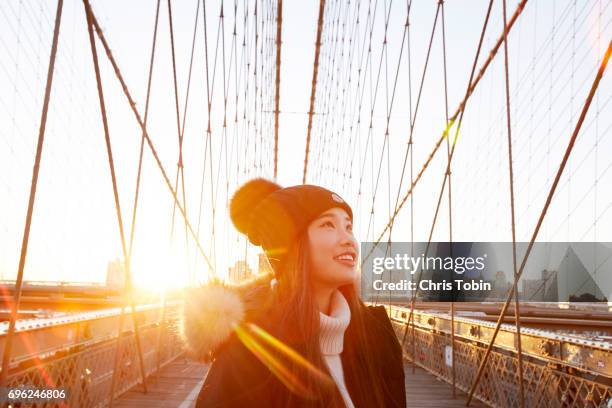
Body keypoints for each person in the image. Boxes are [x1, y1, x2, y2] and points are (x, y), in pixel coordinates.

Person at [183, 178, 406, 407]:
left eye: (348, 226)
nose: (348, 239)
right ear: (292, 245)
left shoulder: (378, 336)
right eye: (328, 225)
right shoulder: (250, 352)